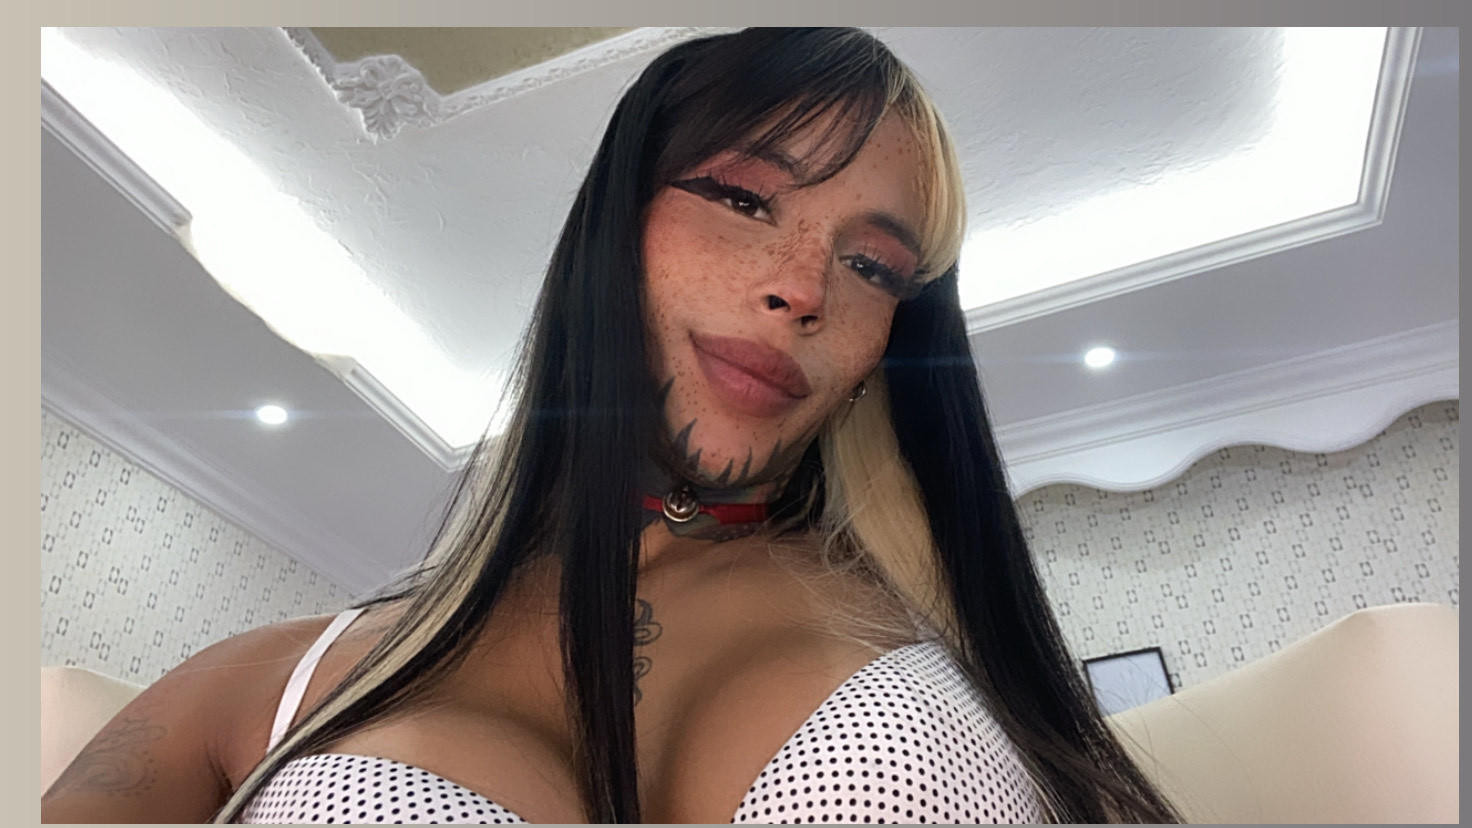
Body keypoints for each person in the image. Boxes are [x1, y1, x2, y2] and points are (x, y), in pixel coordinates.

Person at [41, 27, 1182, 824]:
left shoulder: (949, 634)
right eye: (742, 198)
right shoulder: (268, 679)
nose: (801, 288)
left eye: (872, 265)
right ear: (613, 230)